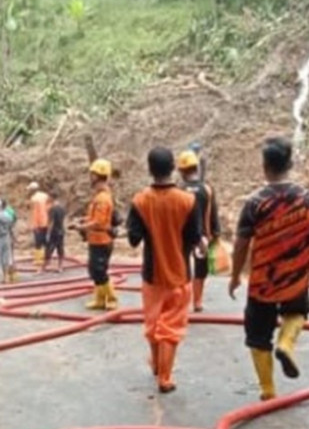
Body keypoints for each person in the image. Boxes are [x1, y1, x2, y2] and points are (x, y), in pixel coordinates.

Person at [228, 137, 309, 401]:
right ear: (290, 164)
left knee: (258, 336)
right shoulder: (308, 199)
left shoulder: (255, 202)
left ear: (265, 166)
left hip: (263, 282)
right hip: (296, 277)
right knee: (297, 312)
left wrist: (235, 276)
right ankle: (285, 343)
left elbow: (241, 244)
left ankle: (268, 391)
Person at [126, 147, 201, 393]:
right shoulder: (188, 201)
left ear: (150, 169)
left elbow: (133, 239)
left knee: (153, 323)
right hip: (179, 275)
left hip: (152, 276)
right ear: (172, 168)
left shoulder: (140, 201)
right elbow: (195, 238)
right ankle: (165, 378)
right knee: (171, 328)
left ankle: (157, 366)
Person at [177, 149, 220, 312]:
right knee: (201, 269)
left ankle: (183, 301)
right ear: (196, 168)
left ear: (181, 171)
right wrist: (216, 233)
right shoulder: (207, 189)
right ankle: (197, 302)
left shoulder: (179, 190)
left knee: (182, 268)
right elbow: (213, 212)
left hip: (182, 236)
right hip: (203, 236)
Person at [72, 159, 118, 310]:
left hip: (102, 240)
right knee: (94, 270)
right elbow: (94, 218)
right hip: (96, 240)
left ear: (97, 175)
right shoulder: (99, 196)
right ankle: (100, 299)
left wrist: (81, 227)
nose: (90, 177)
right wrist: (82, 220)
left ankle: (111, 299)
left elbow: (99, 222)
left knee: (99, 270)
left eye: (92, 174)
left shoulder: (103, 198)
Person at [42, 193, 67, 273]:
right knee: (60, 248)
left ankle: (44, 267)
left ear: (52, 198)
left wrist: (48, 233)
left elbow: (51, 222)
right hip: (61, 230)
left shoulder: (52, 209)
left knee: (49, 249)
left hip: (54, 232)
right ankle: (60, 267)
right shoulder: (62, 208)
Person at [27, 182, 51, 266]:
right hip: (46, 221)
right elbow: (49, 208)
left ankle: (39, 260)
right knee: (46, 241)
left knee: (38, 242)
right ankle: (48, 258)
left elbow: (35, 213)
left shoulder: (33, 199)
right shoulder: (45, 196)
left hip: (38, 223)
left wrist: (35, 225)